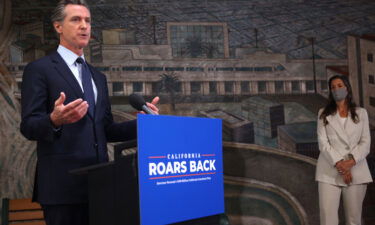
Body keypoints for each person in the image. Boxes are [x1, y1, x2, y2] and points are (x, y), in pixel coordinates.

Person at [20, 1, 159, 225]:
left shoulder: (97, 77)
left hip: (101, 184)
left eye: (88, 21)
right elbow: (28, 126)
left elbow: (106, 130)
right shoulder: (39, 69)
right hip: (62, 188)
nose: (84, 26)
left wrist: (142, 124)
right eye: (76, 20)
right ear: (58, 27)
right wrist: (54, 120)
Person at [316, 75, 373, 225]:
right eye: (333, 87)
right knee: (327, 219)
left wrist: (349, 164)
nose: (336, 89)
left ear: (347, 88)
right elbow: (323, 143)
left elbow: (365, 143)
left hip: (356, 169)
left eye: (339, 85)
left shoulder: (361, 113)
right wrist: (341, 165)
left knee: (354, 219)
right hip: (329, 170)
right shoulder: (323, 113)